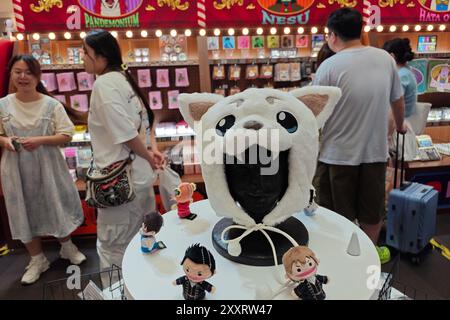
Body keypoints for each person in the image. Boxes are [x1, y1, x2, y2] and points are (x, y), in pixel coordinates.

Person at [312, 8, 406, 264]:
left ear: (332, 36)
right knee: (372, 212)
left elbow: (314, 113)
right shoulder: (385, 59)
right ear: (360, 31)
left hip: (336, 155)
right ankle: (367, 258)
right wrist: (400, 127)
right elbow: (397, 100)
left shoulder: (329, 66)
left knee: (334, 214)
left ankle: (339, 260)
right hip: (374, 152)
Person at [82, 30, 165, 272]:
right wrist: (150, 151)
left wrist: (149, 155)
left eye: (85, 53)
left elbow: (126, 134)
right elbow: (145, 119)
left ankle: (120, 291)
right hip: (136, 178)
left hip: (119, 183)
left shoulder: (105, 85)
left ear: (102, 57)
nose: (82, 59)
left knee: (114, 246)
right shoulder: (122, 79)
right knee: (143, 236)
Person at [0, 55, 86, 284]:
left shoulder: (51, 105)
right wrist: (5, 141)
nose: (22, 77)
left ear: (38, 76)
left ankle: (67, 247)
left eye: (28, 72)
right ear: (11, 75)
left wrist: (39, 140)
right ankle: (37, 259)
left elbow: (67, 135)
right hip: (16, 169)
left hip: (48, 167)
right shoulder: (3, 104)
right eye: (17, 71)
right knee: (23, 211)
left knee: (55, 203)